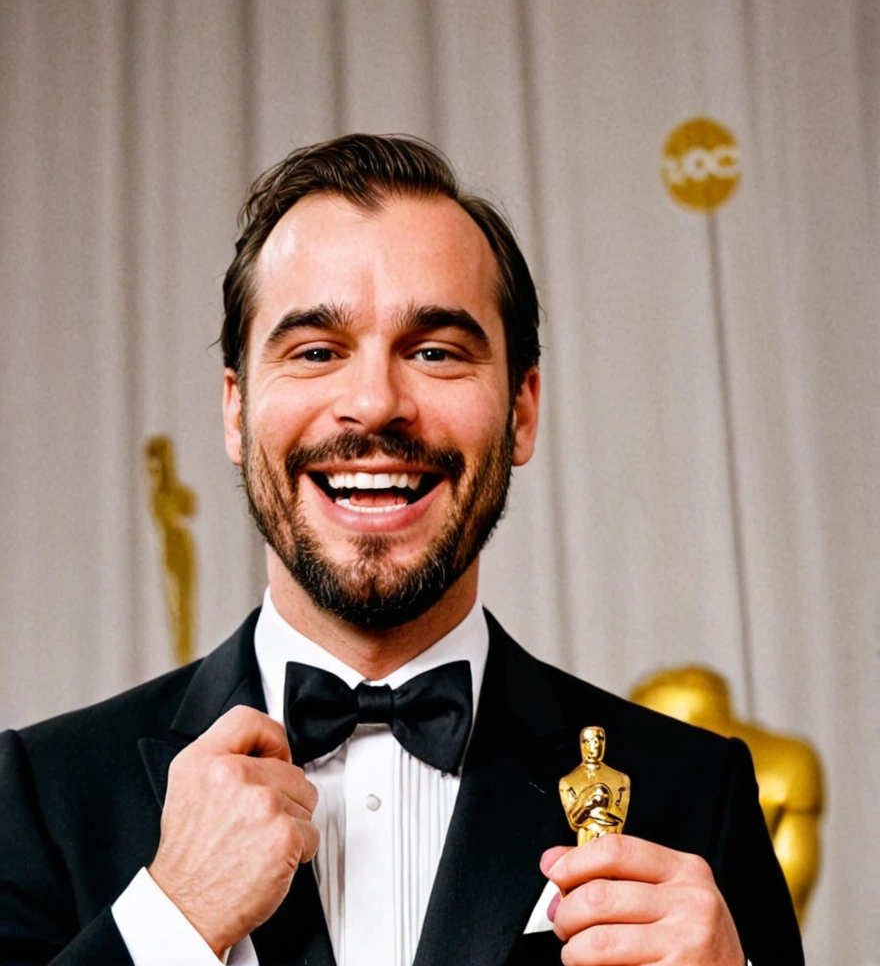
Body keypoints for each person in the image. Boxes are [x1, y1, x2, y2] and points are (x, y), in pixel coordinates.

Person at [0, 134, 803, 965]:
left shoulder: (694, 794)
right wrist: (174, 920)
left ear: (522, 409)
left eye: (435, 352)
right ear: (236, 412)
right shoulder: (40, 795)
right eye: (316, 351)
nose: (375, 404)